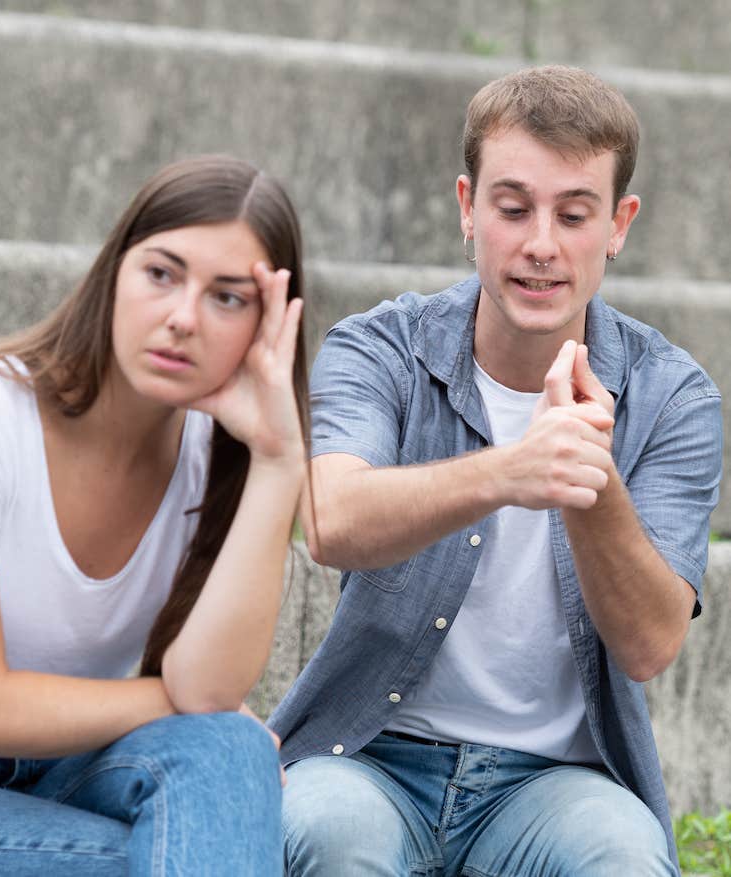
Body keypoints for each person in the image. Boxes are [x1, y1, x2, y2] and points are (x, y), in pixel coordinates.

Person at [272, 66, 722, 876]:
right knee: (328, 836)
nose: (541, 244)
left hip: (557, 784)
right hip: (369, 757)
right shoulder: (381, 349)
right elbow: (332, 522)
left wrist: (591, 480)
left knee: (624, 859)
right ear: (467, 209)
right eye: (513, 208)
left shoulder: (673, 395)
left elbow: (651, 643)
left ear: (619, 225)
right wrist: (512, 468)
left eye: (574, 214)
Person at [0, 154, 308, 875]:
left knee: (229, 749)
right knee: (169, 853)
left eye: (228, 298)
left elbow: (205, 694)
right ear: (115, 271)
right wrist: (162, 701)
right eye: (162, 273)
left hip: (56, 761)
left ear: (268, 327)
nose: (182, 317)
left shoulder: (218, 454)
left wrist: (277, 459)